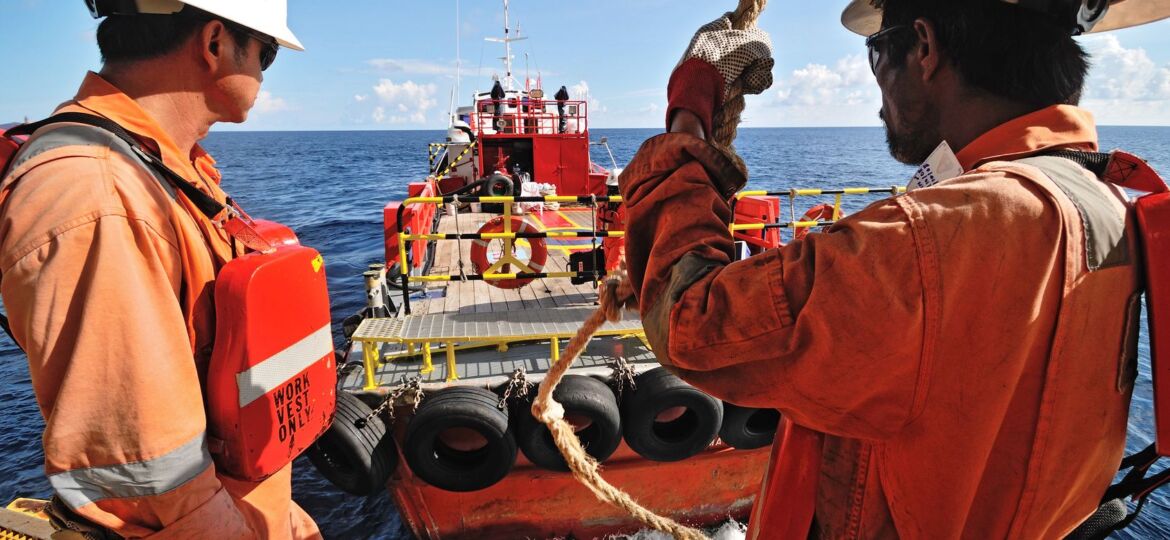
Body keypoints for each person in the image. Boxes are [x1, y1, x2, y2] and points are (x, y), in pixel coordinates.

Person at [620, 0, 1168, 537]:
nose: (878, 89)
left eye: (877, 51)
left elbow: (692, 320)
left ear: (924, 47)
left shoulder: (931, 237)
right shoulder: (1103, 200)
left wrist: (691, 110)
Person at [0, 1, 320, 538]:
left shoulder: (164, 167)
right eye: (266, 53)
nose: (264, 73)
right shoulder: (99, 194)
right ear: (214, 42)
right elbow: (155, 483)